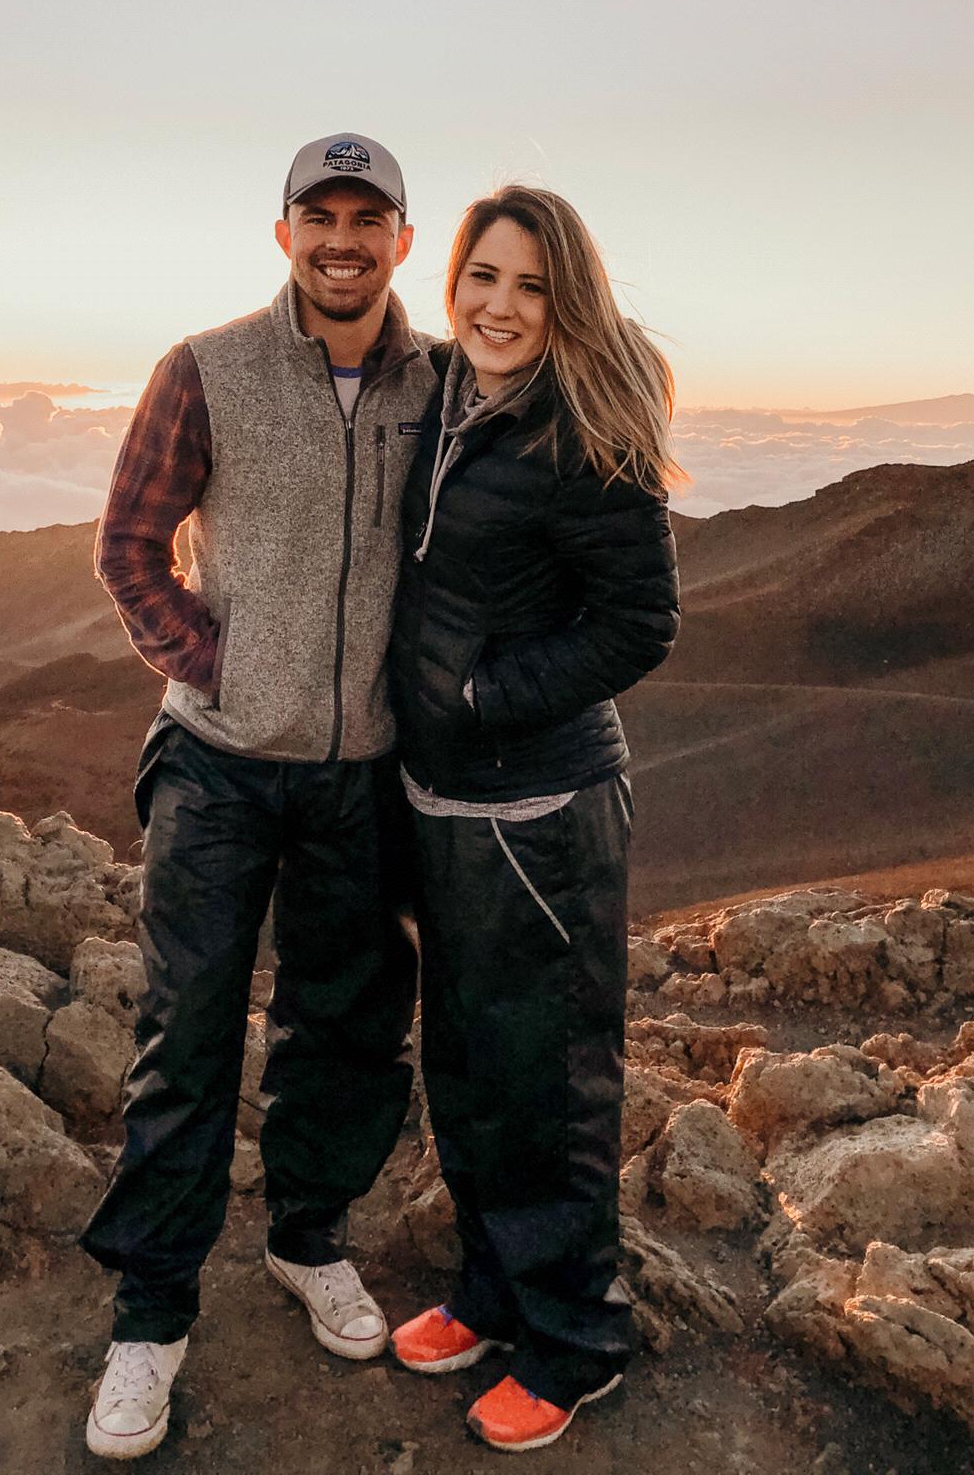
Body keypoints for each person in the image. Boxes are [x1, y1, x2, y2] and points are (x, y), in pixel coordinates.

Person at [79, 134, 439, 1461]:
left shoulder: (439, 386)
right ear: (283, 232)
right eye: (319, 214)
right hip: (221, 767)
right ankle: (151, 1314)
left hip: (363, 773)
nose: (342, 238)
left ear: (404, 238)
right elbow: (126, 544)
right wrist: (217, 668)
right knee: (187, 1032)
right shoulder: (207, 367)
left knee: (344, 1026)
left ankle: (306, 1241)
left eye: (369, 217)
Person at [386, 184, 681, 1453]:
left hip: (543, 803)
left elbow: (639, 621)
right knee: (462, 1060)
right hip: (443, 799)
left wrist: (483, 694)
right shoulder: (452, 397)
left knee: (547, 1076)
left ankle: (575, 1337)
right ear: (451, 281)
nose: (500, 306)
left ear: (569, 300)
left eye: (531, 285)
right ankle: (495, 1289)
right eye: (482, 277)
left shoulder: (588, 430)